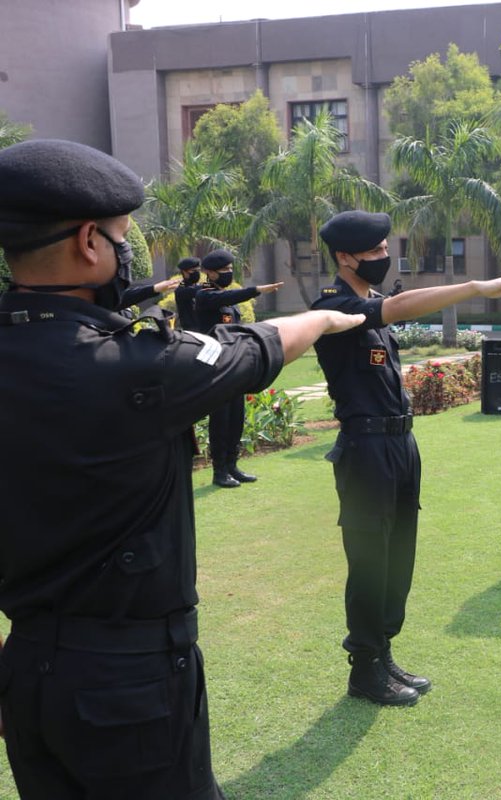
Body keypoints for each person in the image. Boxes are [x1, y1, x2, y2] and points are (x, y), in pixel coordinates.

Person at [0, 138, 365, 800]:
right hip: (127, 681)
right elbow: (263, 343)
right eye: (122, 238)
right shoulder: (137, 366)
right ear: (88, 241)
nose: (126, 254)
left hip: (26, 672)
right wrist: (323, 315)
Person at [311, 210, 501, 706]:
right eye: (374, 250)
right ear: (344, 257)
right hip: (366, 450)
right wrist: (475, 286)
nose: (384, 255)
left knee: (398, 556)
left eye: (384, 247)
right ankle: (363, 668)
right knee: (370, 560)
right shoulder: (336, 306)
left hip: (400, 444)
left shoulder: (370, 300)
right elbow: (398, 307)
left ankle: (383, 652)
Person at [194, 249, 284, 488]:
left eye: (230, 269)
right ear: (210, 273)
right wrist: (257, 290)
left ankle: (232, 465)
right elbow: (227, 297)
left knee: (236, 417)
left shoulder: (225, 298)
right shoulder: (204, 295)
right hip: (216, 367)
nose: (229, 273)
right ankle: (219, 471)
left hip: (234, 363)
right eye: (224, 270)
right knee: (221, 419)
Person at [172, 256, 204, 331]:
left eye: (198, 270)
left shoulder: (196, 285)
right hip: (190, 331)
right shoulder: (181, 289)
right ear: (184, 272)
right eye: (193, 270)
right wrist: (212, 284)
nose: (197, 273)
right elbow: (194, 290)